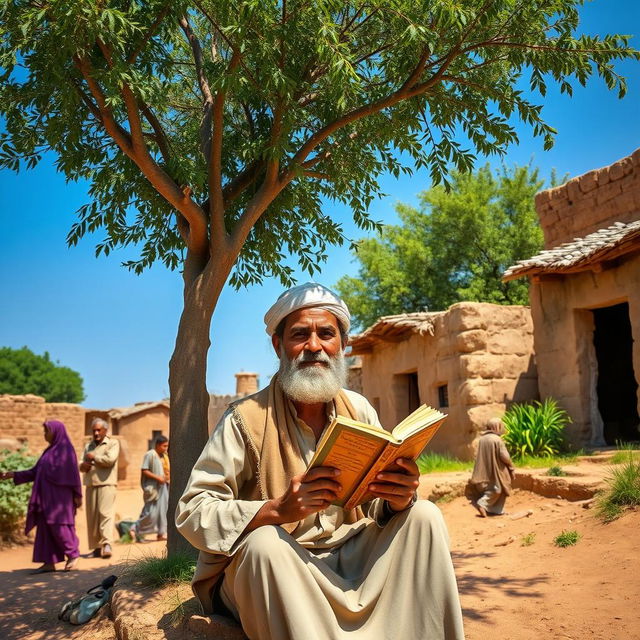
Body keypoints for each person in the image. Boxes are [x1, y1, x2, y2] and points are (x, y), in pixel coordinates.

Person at [177, 283, 465, 640]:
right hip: (283, 568)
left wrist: (398, 497)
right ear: (278, 346)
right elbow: (193, 511)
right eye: (300, 335)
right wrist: (276, 510)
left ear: (342, 346)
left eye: (326, 334)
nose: (314, 346)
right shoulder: (244, 419)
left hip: (354, 557)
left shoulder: (358, 409)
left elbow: (374, 504)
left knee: (424, 516)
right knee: (265, 545)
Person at [0, 421, 82, 573]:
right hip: (45, 497)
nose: (45, 434)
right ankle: (49, 562)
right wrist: (13, 475)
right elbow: (34, 472)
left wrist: (78, 494)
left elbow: (74, 476)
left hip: (60, 499)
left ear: (56, 431)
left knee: (59, 525)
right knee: (45, 526)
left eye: (47, 431)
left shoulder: (66, 450)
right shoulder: (49, 452)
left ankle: (73, 555)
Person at [80, 417, 119, 558]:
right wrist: (82, 465)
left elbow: (110, 460)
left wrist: (94, 457)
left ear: (105, 430)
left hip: (107, 484)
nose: (96, 433)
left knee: (105, 514)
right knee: (92, 518)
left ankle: (107, 544)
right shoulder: (88, 446)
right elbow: (81, 462)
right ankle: (96, 548)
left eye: (99, 430)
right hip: (91, 484)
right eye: (94, 430)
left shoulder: (113, 443)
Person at [466, 417, 516, 517]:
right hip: (497, 469)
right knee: (498, 489)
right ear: (497, 427)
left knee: (494, 488)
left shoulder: (482, 439)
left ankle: (495, 510)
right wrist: (511, 466)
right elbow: (504, 456)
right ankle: (482, 504)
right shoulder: (497, 439)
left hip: (486, 470)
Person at [129, 435, 170, 542]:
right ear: (157, 445)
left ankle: (161, 534)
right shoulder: (150, 454)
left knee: (163, 511)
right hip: (153, 489)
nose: (165, 448)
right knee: (149, 512)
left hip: (162, 488)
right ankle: (134, 528)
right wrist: (158, 478)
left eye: (167, 446)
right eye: (164, 446)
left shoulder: (163, 456)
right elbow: (144, 470)